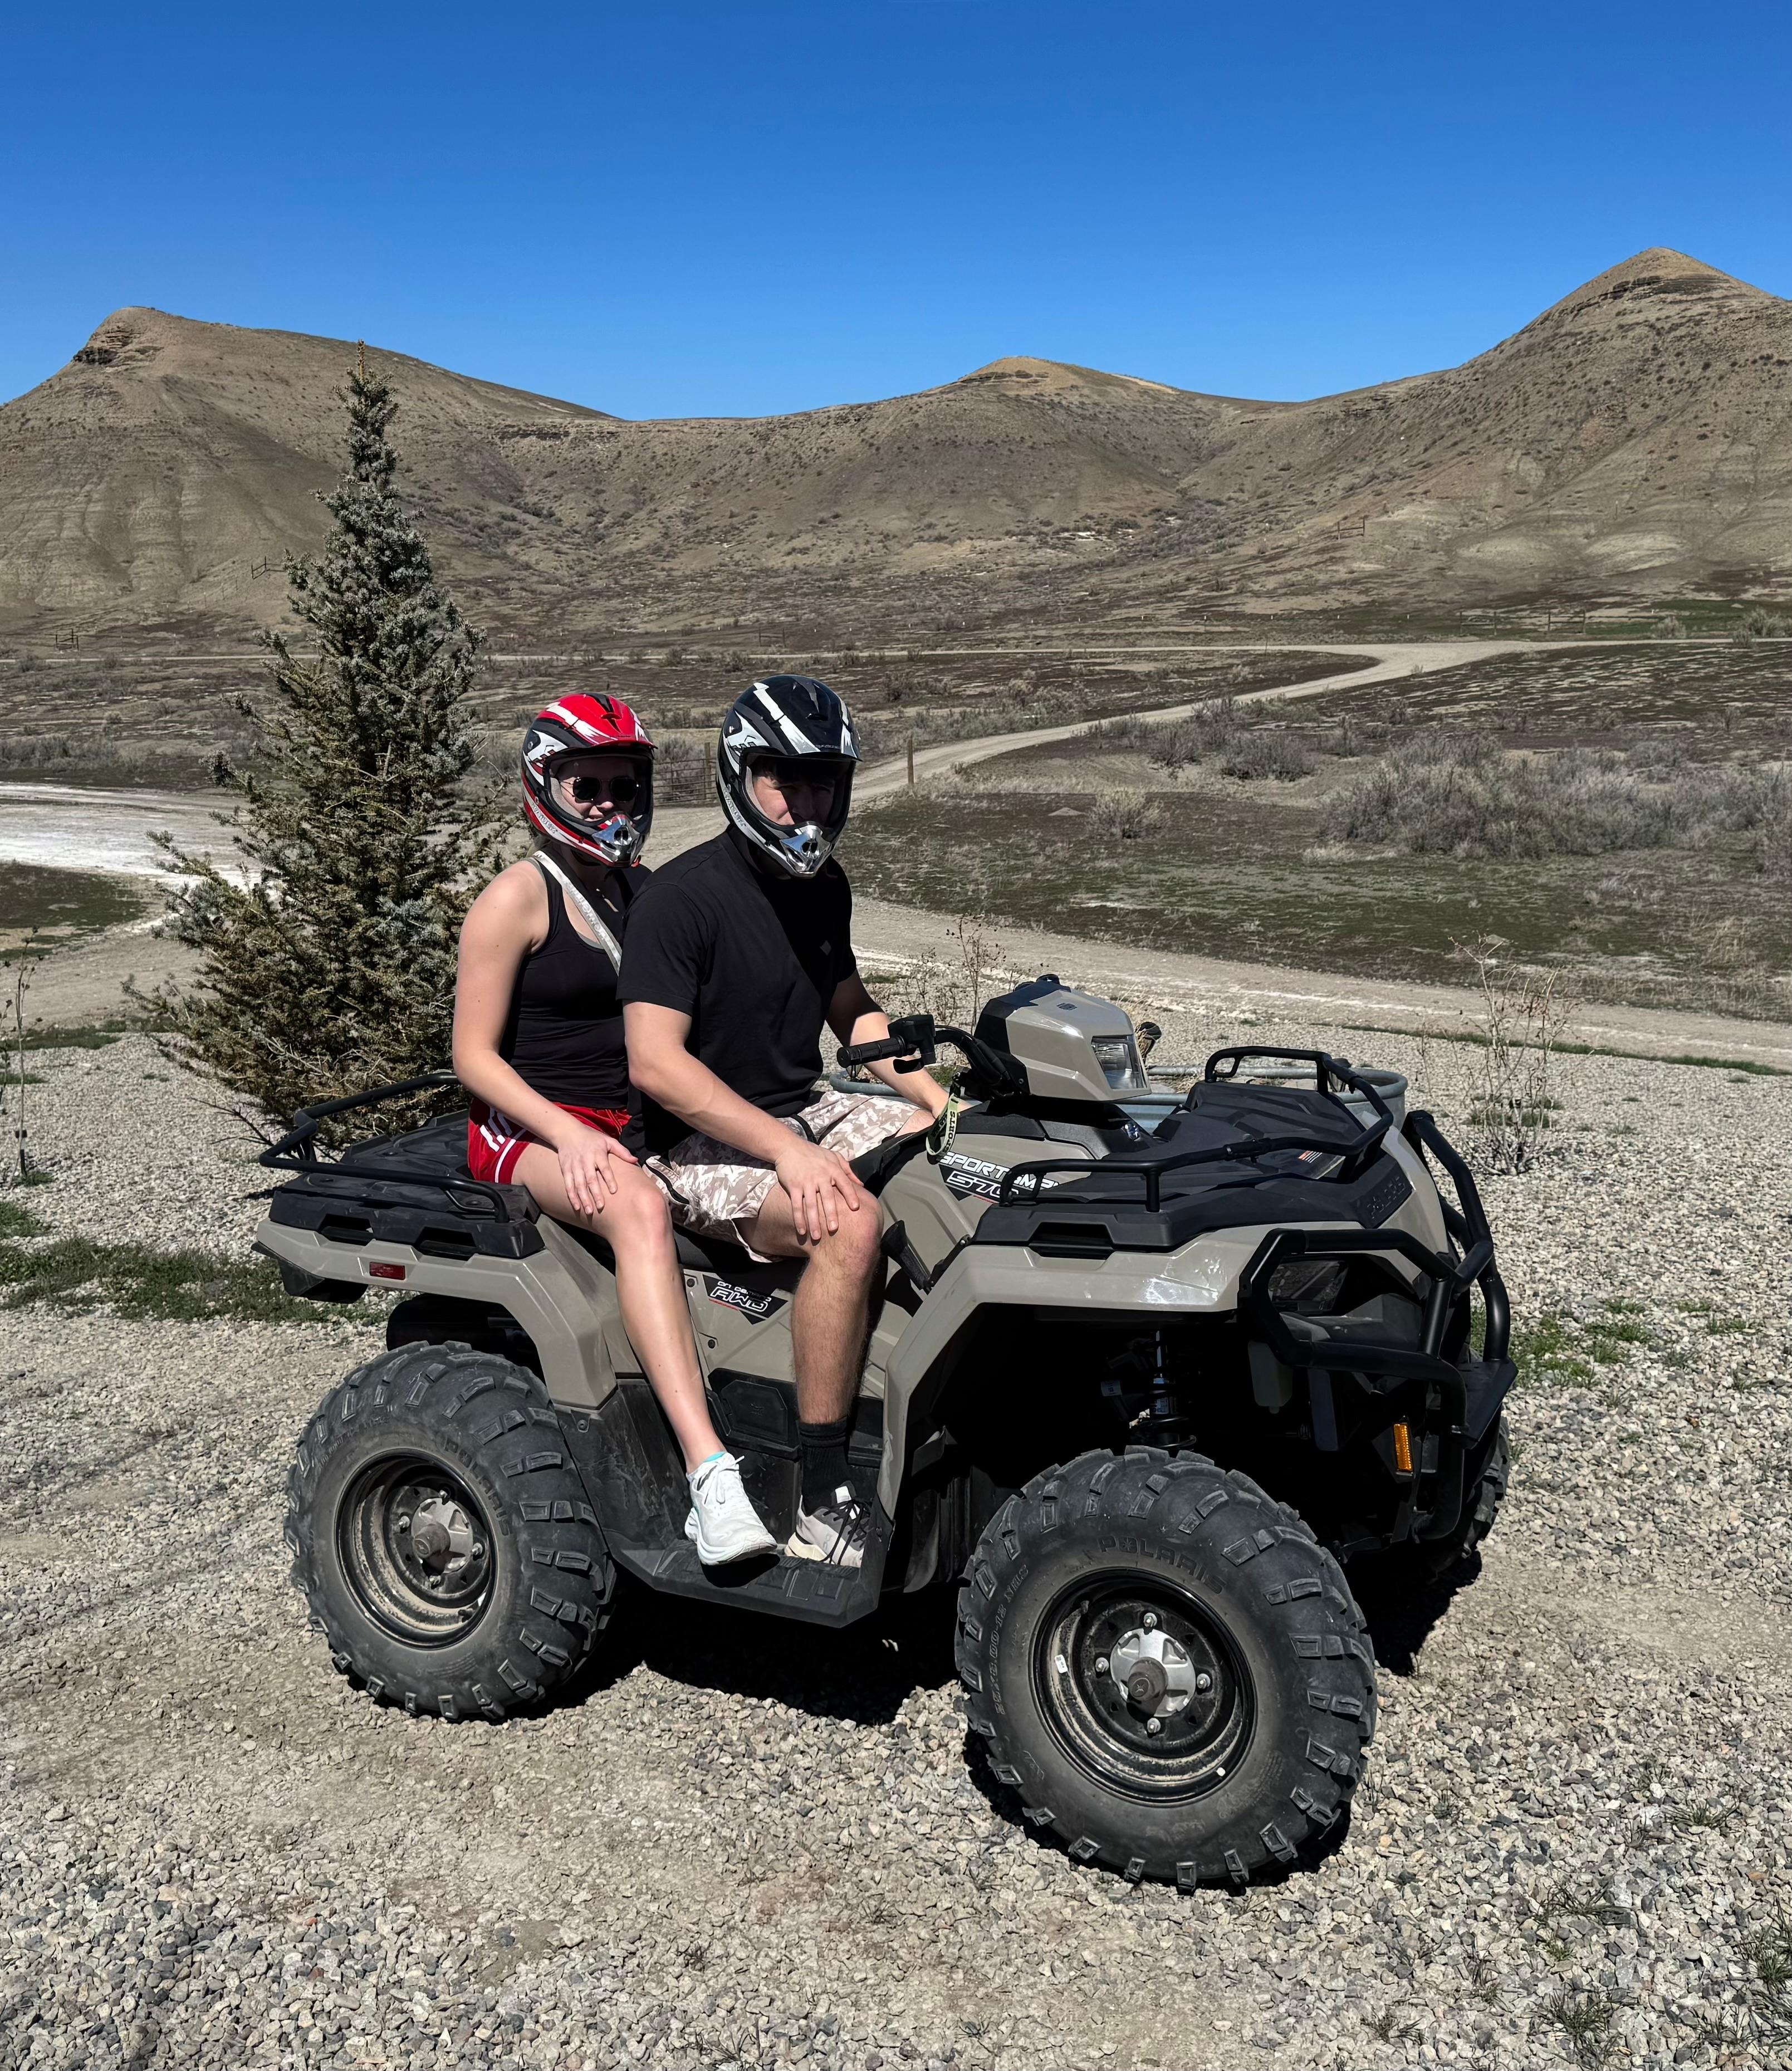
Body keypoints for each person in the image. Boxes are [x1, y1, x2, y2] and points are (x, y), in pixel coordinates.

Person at [620, 675, 949, 1570]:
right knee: (847, 1223)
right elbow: (655, 1063)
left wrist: (935, 1095)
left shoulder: (821, 886)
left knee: (965, 1164)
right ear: (739, 777)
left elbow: (850, 1008)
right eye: (784, 781)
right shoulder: (680, 901)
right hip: (690, 1145)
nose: (805, 803)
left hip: (797, 1107)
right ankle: (819, 1492)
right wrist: (789, 1155)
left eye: (822, 784)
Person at [452, 692, 777, 1566]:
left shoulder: (644, 890)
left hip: (631, 1117)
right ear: (542, 787)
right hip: (532, 1131)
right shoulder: (515, 901)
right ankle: (709, 1474)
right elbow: (473, 1059)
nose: (606, 803)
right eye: (585, 785)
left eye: (621, 785)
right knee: (636, 1209)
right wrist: (571, 1136)